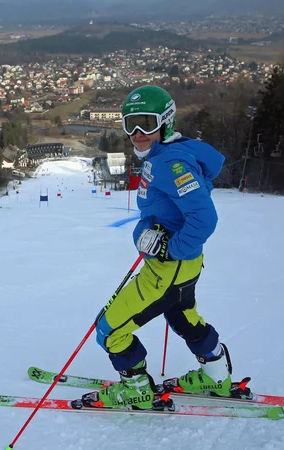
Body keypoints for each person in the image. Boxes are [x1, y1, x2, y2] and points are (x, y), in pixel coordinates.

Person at [86, 85, 229, 411]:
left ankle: (135, 388)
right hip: (182, 266)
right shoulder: (166, 153)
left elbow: (204, 219)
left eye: (146, 124)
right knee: (182, 318)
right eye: (130, 124)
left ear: (165, 122)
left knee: (109, 331)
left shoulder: (171, 162)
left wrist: (171, 248)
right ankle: (216, 375)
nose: (137, 133)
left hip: (168, 269)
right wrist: (147, 233)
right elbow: (160, 210)